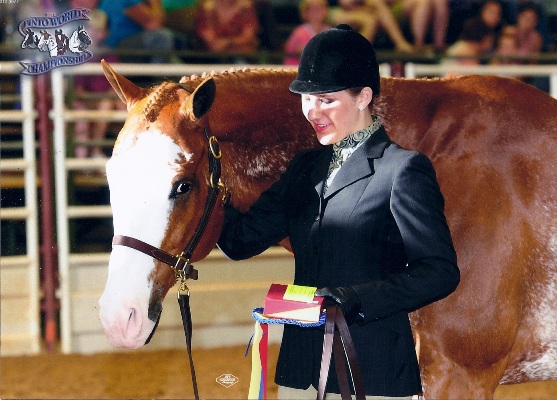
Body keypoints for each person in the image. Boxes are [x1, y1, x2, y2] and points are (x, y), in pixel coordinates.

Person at [217, 24, 460, 398]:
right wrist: (209, 178)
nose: (312, 111)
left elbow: (440, 272)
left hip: (371, 369)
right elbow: (239, 241)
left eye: (326, 100)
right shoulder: (303, 169)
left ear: (363, 97)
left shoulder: (403, 170)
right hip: (300, 369)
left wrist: (354, 299)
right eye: (306, 98)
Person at [99, 0, 176, 63]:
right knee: (161, 36)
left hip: (122, 45)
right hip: (117, 48)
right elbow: (154, 24)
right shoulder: (129, 1)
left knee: (177, 38)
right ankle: (160, 77)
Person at [329, 0, 414, 52]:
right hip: (337, 12)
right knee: (371, 20)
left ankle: (400, 42)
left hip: (363, 10)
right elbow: (346, 3)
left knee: (377, 8)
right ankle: (356, 53)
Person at [194, 0, 260, 55]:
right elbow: (211, 42)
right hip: (211, 59)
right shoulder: (206, 10)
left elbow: (248, 37)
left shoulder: (246, 8)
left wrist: (228, 43)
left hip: (242, 57)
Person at [283, 0, 331, 66]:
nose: (316, 12)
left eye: (319, 8)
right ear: (305, 12)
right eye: (312, 9)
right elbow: (288, 50)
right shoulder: (299, 32)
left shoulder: (330, 32)